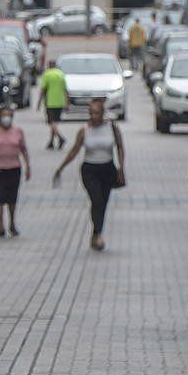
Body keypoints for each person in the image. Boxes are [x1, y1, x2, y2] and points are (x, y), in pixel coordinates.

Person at [53, 98, 126, 251]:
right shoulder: (84, 130)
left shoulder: (112, 128)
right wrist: (61, 168)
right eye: (91, 113)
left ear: (103, 113)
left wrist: (121, 168)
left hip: (107, 169)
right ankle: (98, 235)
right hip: (90, 171)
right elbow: (74, 150)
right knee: (97, 200)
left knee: (103, 203)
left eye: (97, 113)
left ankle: (96, 233)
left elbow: (120, 147)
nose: (93, 116)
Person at [0, 105, 31, 237]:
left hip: (14, 167)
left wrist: (28, 166)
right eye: (4, 115)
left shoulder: (18, 131)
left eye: (9, 115)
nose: (6, 118)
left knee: (12, 197)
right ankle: (0, 225)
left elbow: (24, 149)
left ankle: (12, 223)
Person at [38, 60, 69, 150]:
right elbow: (65, 90)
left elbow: (43, 89)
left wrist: (39, 102)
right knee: (55, 122)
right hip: (60, 102)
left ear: (48, 66)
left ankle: (60, 138)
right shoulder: (61, 74)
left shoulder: (47, 74)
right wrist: (67, 103)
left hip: (50, 102)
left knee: (52, 122)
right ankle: (51, 142)